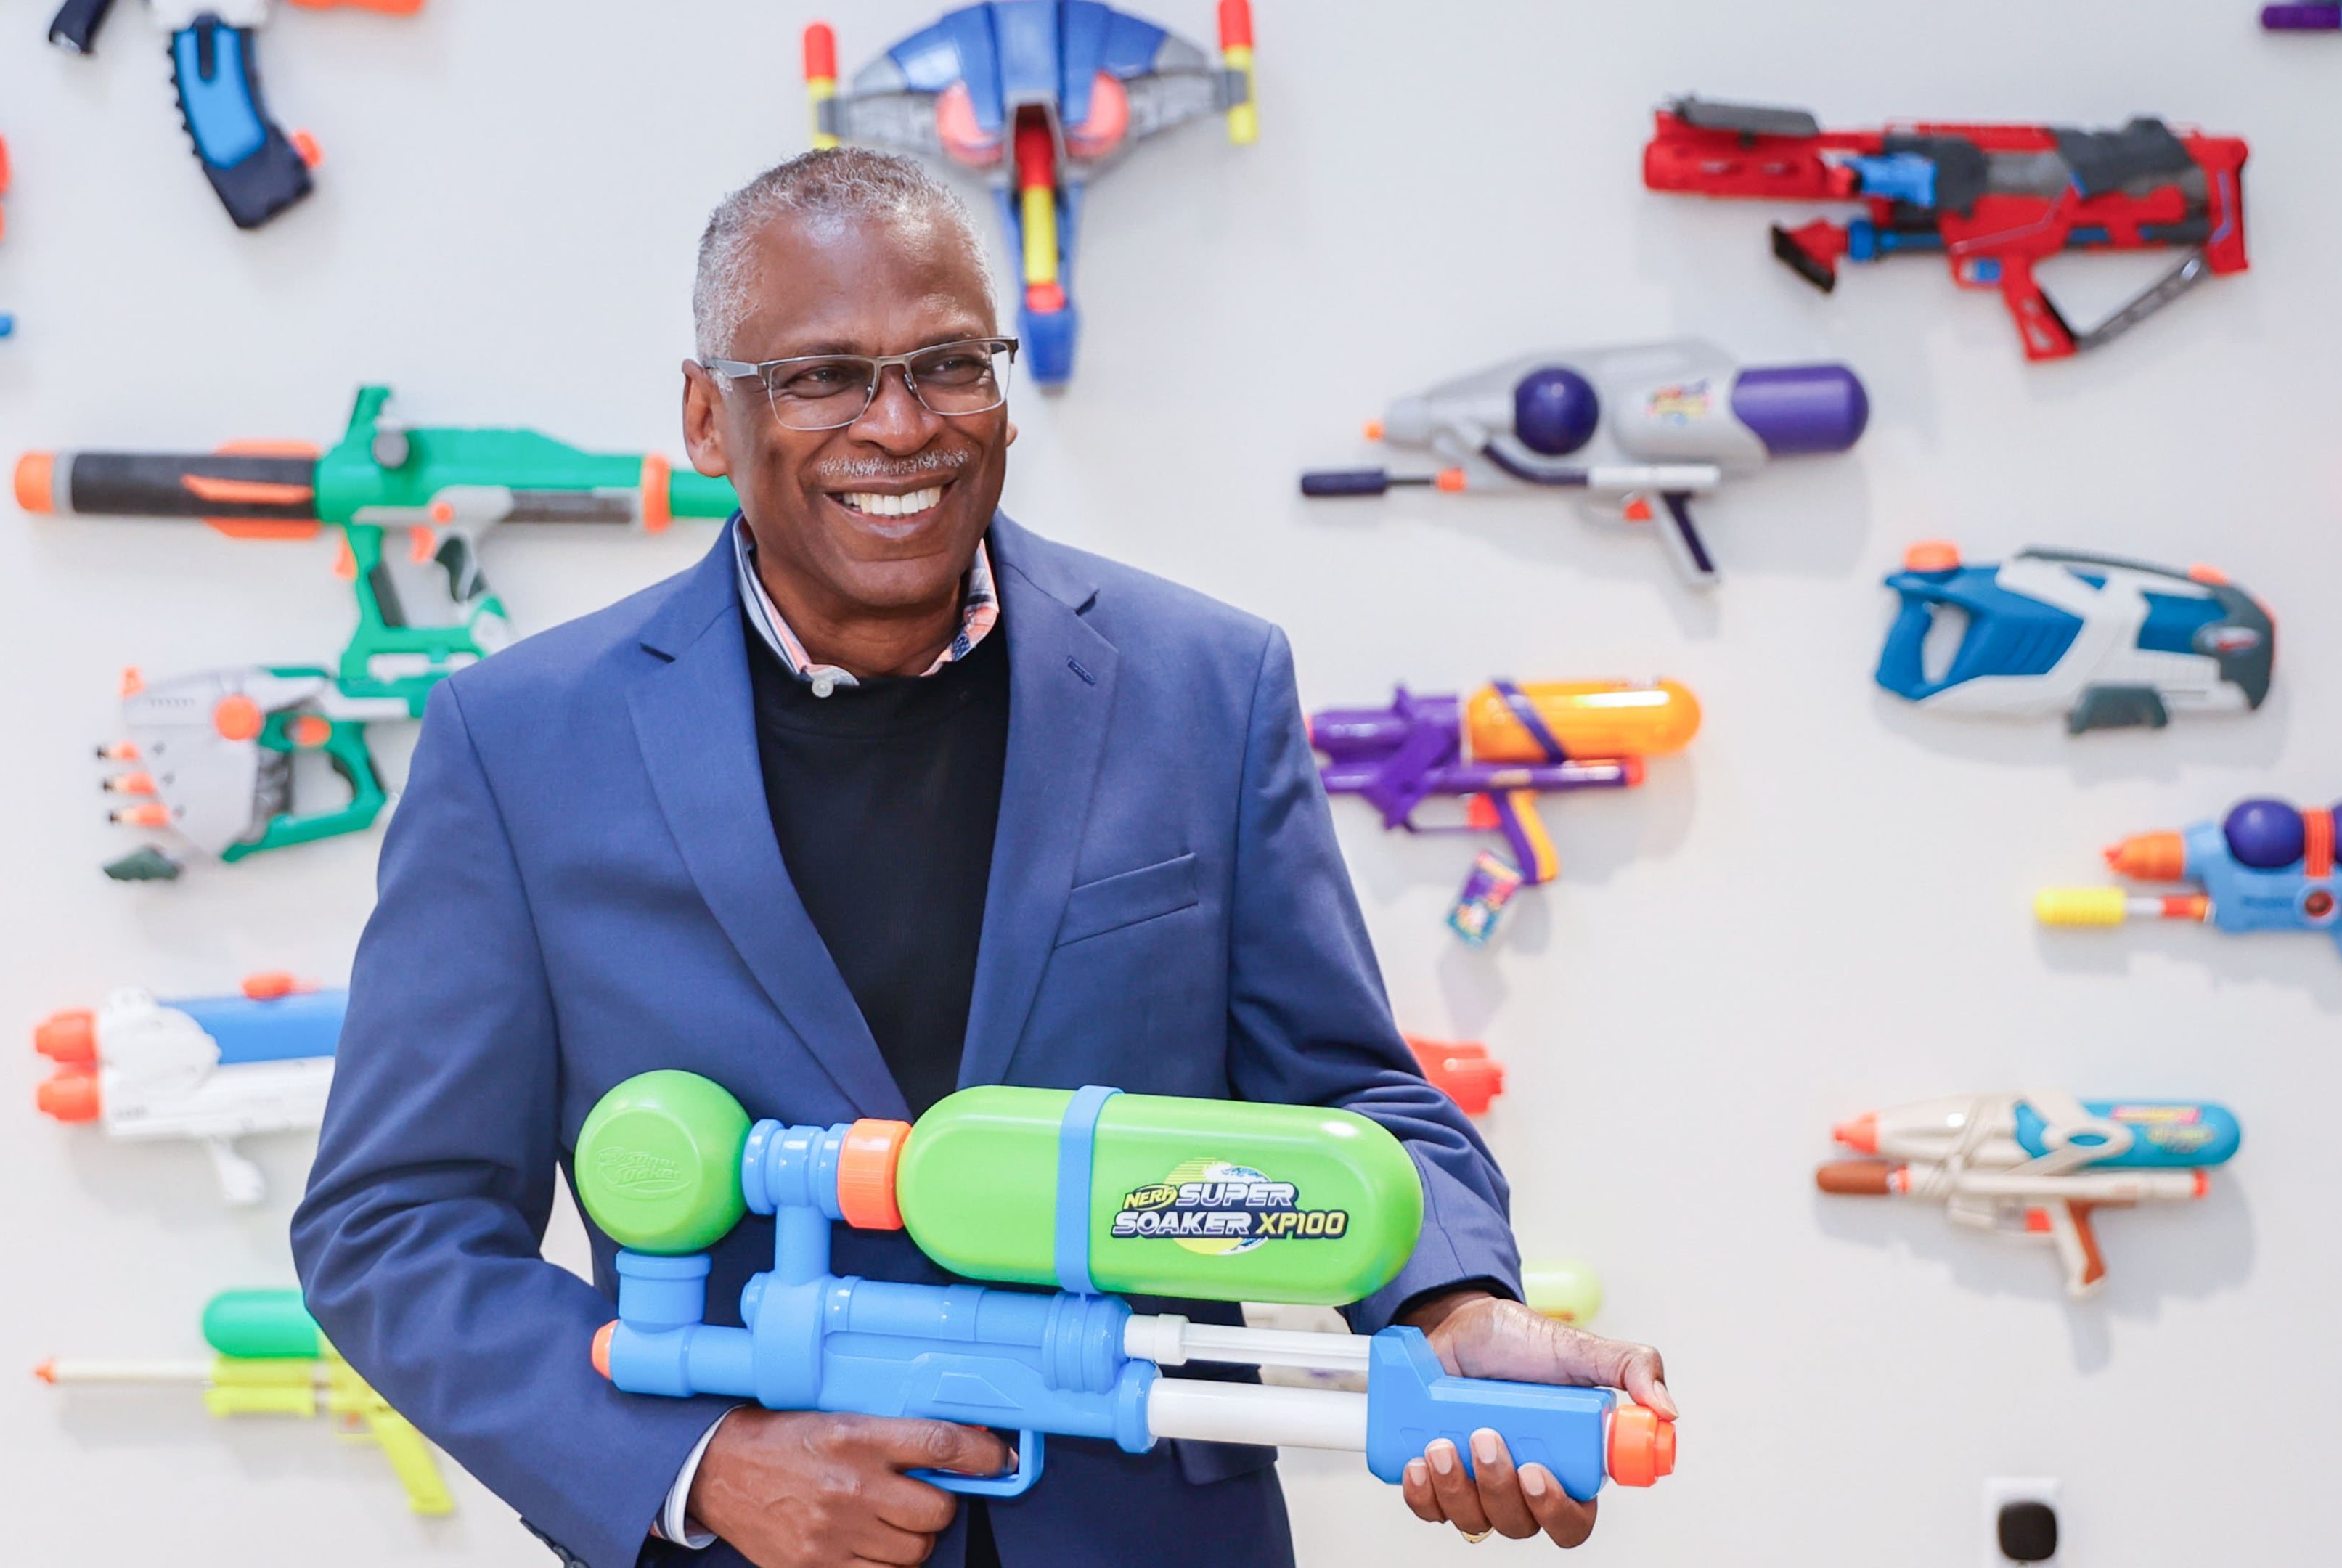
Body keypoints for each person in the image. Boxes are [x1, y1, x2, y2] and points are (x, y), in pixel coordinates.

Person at [291, 148, 1676, 1568]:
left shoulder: (1204, 683)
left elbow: (1344, 1091)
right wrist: (700, 1467)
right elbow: (395, 1223)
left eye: (948, 363)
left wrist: (1455, 1310)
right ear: (710, 417)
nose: (899, 426)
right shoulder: (520, 750)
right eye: (822, 376)